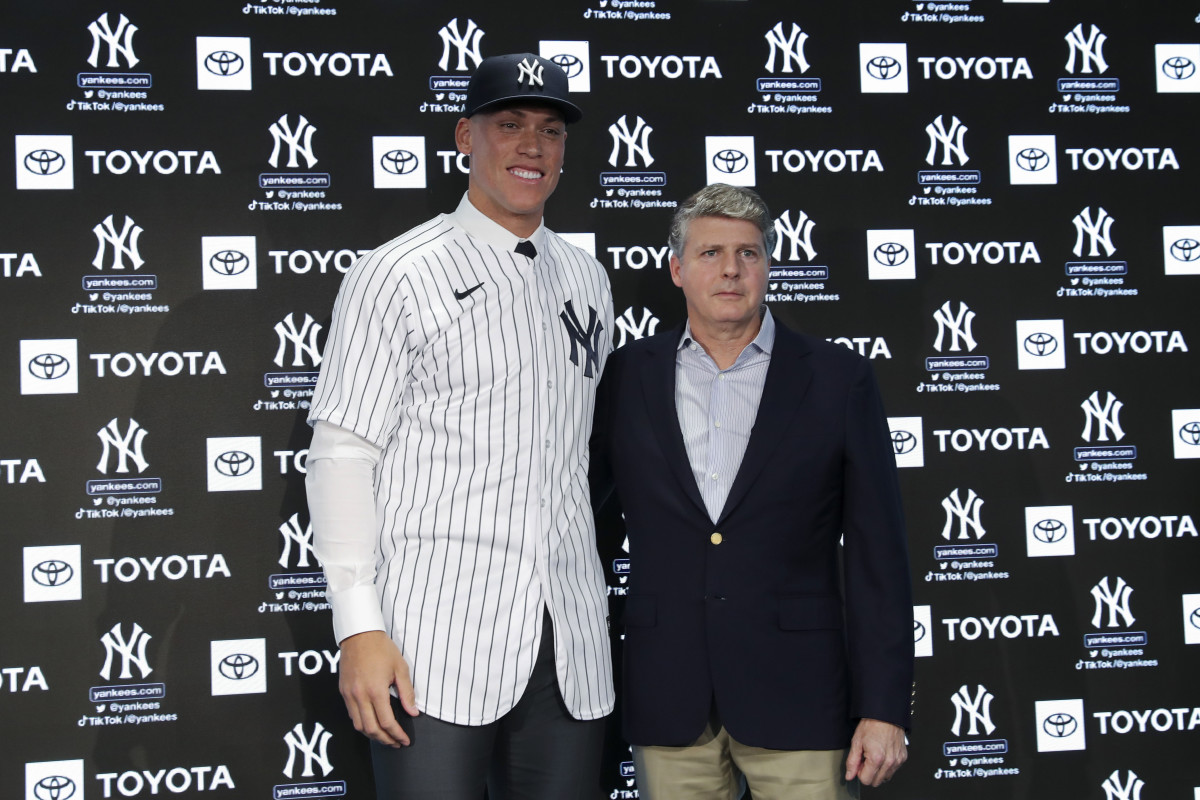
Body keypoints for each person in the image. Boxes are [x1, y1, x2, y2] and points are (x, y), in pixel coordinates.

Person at [305, 53, 614, 800]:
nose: (531, 146)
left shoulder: (588, 278)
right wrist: (358, 625)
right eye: (508, 125)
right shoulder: (397, 272)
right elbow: (344, 454)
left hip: (567, 645)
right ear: (463, 138)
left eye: (548, 130)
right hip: (429, 646)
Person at [590, 183, 913, 800]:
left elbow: (879, 559)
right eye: (711, 253)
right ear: (677, 269)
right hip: (668, 693)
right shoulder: (626, 376)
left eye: (749, 252)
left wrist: (884, 706)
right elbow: (588, 526)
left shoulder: (838, 379)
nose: (731, 269)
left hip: (801, 696)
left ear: (769, 264)